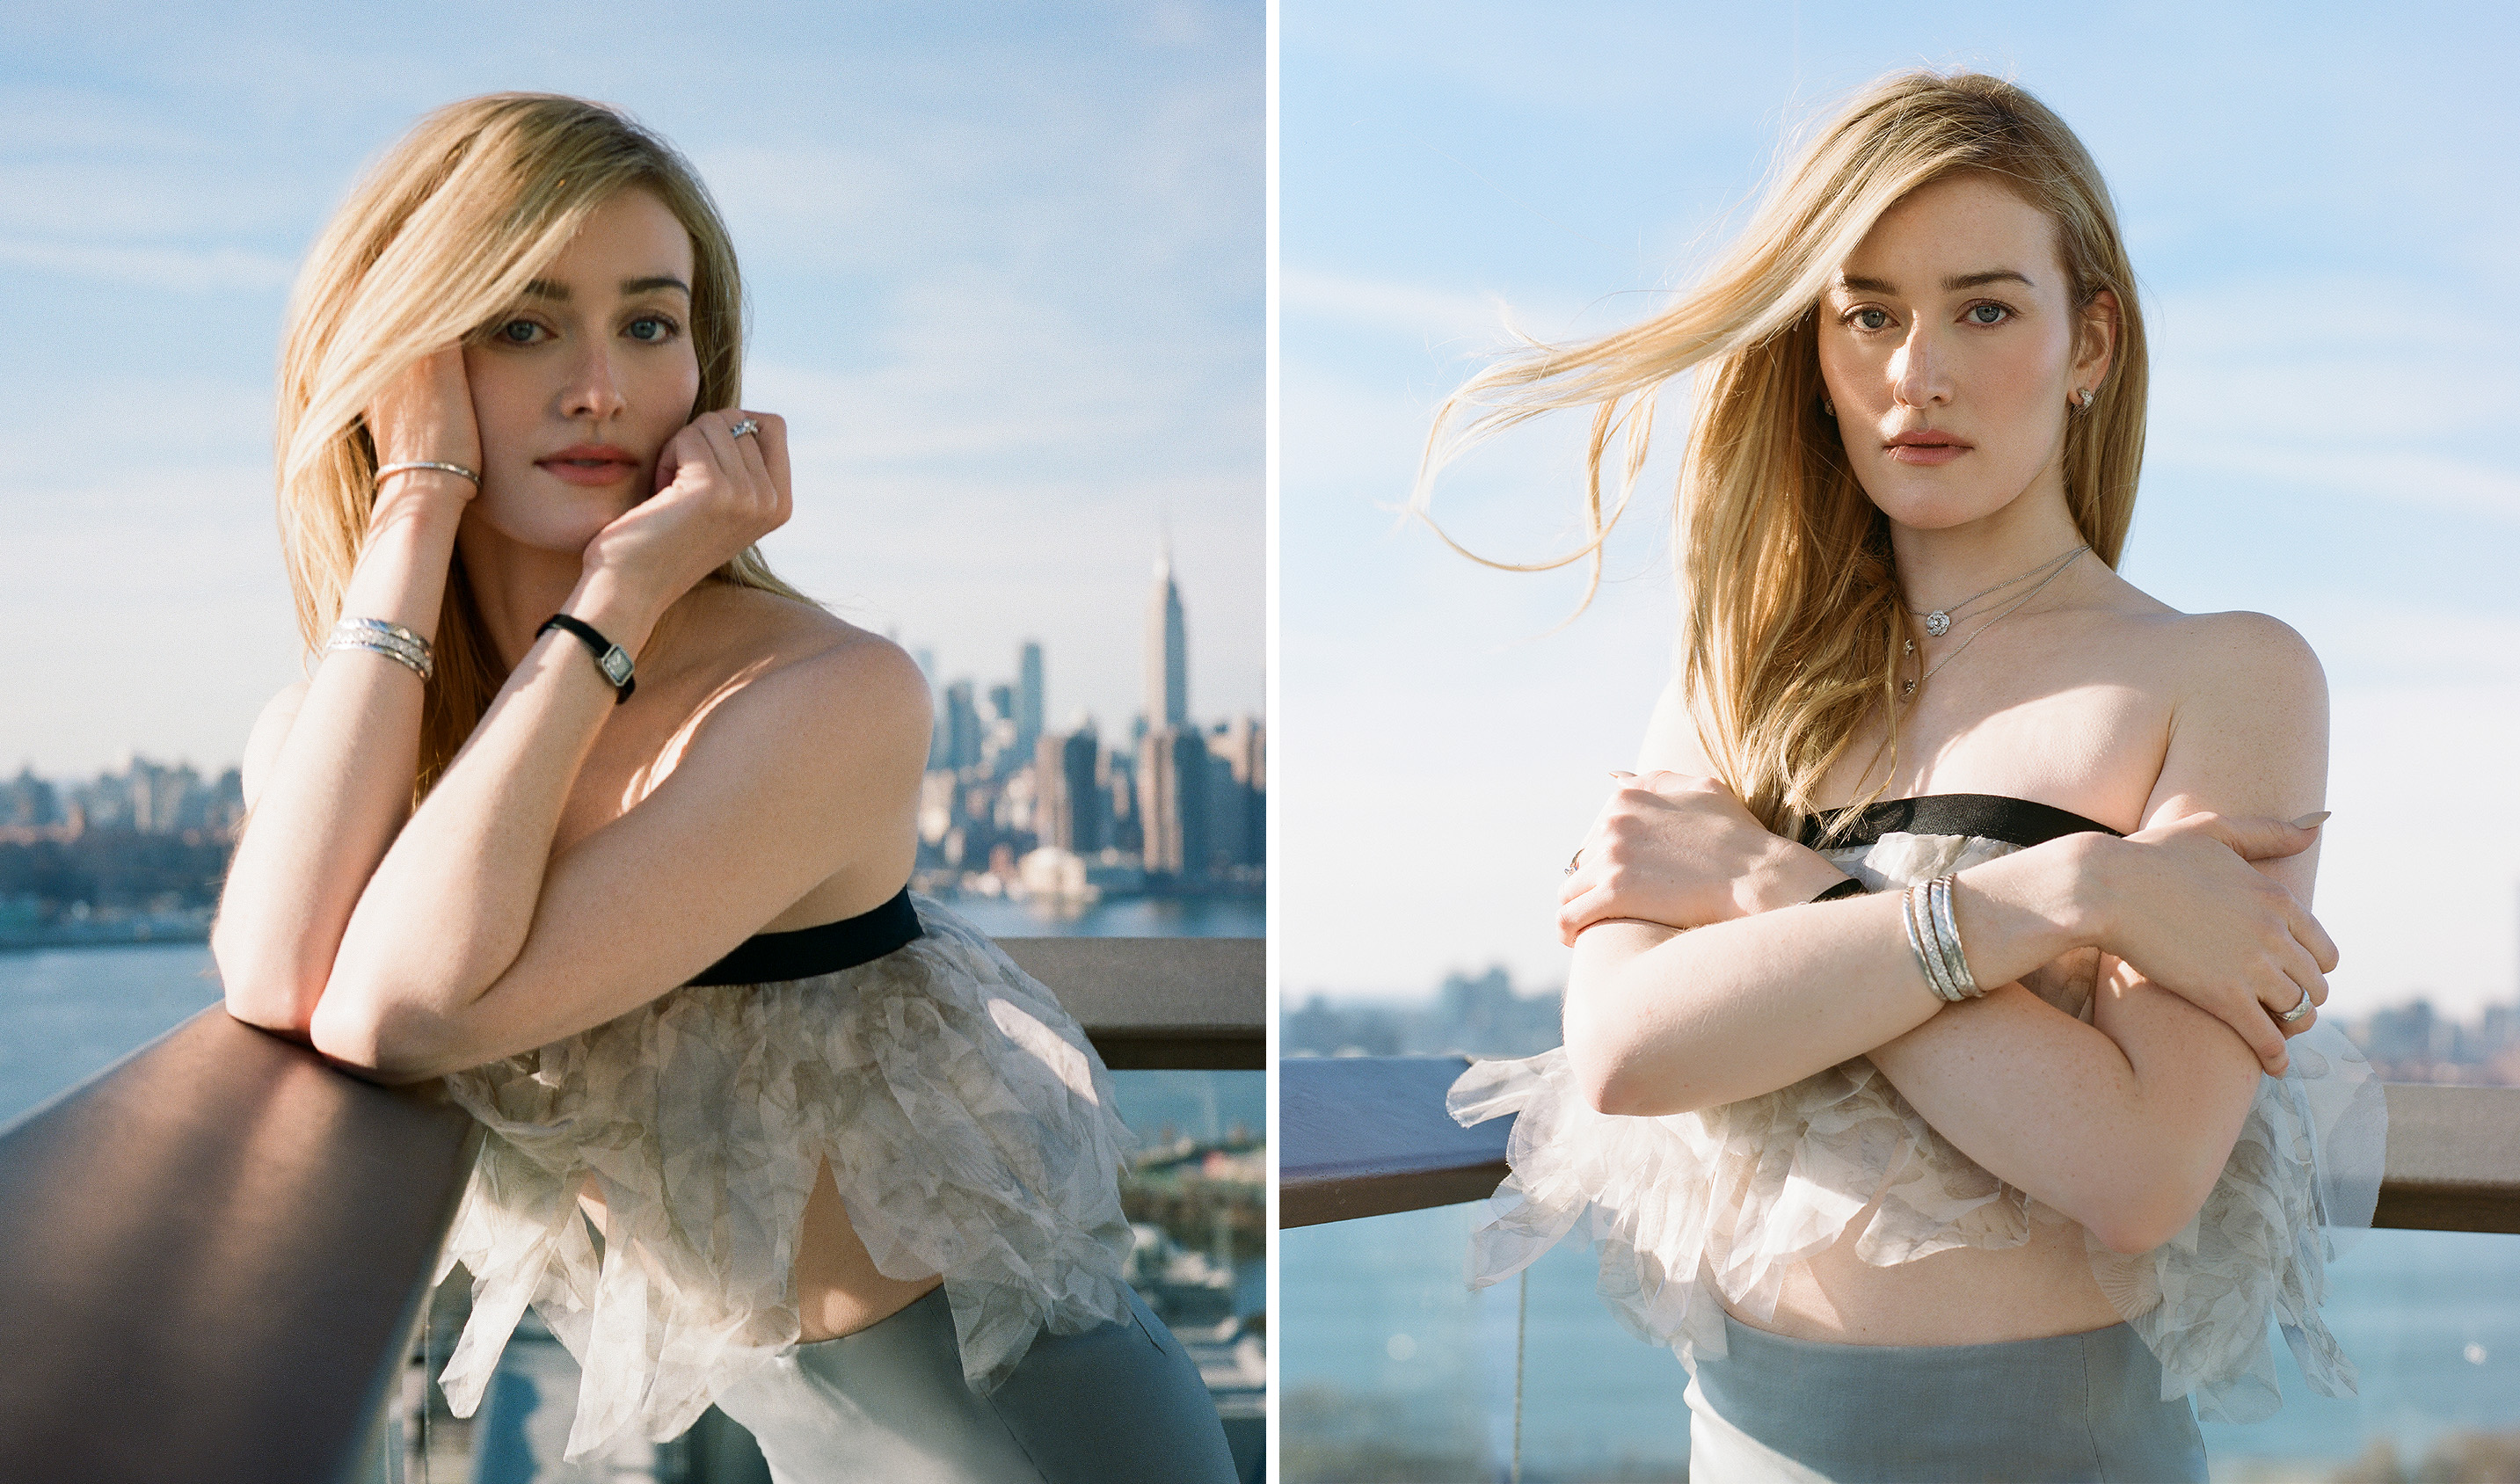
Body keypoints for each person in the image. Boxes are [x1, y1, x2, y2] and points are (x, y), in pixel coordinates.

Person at [209, 93, 1237, 1484]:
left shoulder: (824, 699)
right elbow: (280, 976)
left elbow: (395, 1011)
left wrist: (624, 589)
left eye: (648, 323)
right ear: (404, 362)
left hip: (1022, 1440)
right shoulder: (349, 721)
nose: (601, 389)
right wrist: (410, 513)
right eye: (522, 324)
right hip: (776, 1437)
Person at [1425, 72, 2385, 1482]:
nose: (1913, 374)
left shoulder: (2228, 675)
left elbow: (2133, 1169)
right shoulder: (1732, 679)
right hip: (1744, 1444)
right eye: (1867, 312)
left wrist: (1775, 889)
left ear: (2090, 343)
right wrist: (2068, 890)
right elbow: (1629, 1052)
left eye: (1985, 309)